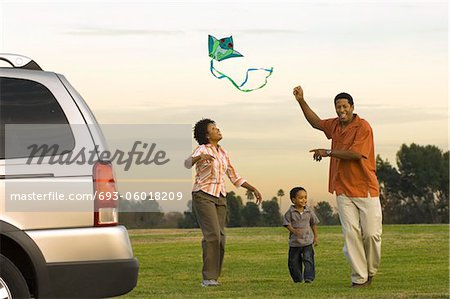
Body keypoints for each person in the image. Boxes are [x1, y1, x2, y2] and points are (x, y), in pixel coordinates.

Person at [292, 85, 382, 288]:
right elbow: (316, 122)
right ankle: (359, 278)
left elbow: (355, 154)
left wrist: (328, 152)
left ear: (352, 107)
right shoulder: (333, 125)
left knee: (371, 234)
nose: (341, 110)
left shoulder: (363, 127)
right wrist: (301, 101)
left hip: (366, 188)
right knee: (351, 234)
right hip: (342, 188)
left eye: (344, 106)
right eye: (338, 107)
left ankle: (370, 271)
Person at [185, 118, 262, 287]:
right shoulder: (201, 149)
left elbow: (234, 177)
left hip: (220, 197)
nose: (218, 129)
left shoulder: (223, 153)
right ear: (206, 134)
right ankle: (208, 278)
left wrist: (253, 188)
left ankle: (213, 278)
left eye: (217, 127)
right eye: (213, 128)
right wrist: (199, 158)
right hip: (203, 195)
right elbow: (186, 163)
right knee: (212, 235)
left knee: (220, 238)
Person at [283, 187, 319, 283]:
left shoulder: (309, 211)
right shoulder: (290, 212)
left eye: (305, 197)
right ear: (293, 200)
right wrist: (293, 231)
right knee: (293, 262)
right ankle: (298, 279)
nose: (304, 200)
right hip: (295, 243)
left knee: (308, 260)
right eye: (300, 198)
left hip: (307, 241)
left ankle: (309, 278)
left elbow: (313, 223)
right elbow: (286, 224)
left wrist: (316, 237)